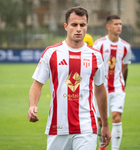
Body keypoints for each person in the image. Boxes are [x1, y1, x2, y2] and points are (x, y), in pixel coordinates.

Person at [28, 6, 111, 150]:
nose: (78, 29)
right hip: (58, 126)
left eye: (82, 25)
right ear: (66, 26)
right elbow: (37, 84)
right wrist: (32, 105)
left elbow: (100, 90)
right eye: (74, 24)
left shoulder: (95, 56)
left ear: (86, 27)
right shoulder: (51, 53)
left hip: (86, 127)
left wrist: (104, 124)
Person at [93, 15, 131, 150]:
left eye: (120, 24)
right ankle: (102, 146)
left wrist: (123, 85)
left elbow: (125, 67)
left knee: (116, 117)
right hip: (100, 88)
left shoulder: (126, 46)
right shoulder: (98, 44)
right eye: (116, 24)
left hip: (118, 87)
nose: (119, 26)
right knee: (100, 121)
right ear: (108, 26)